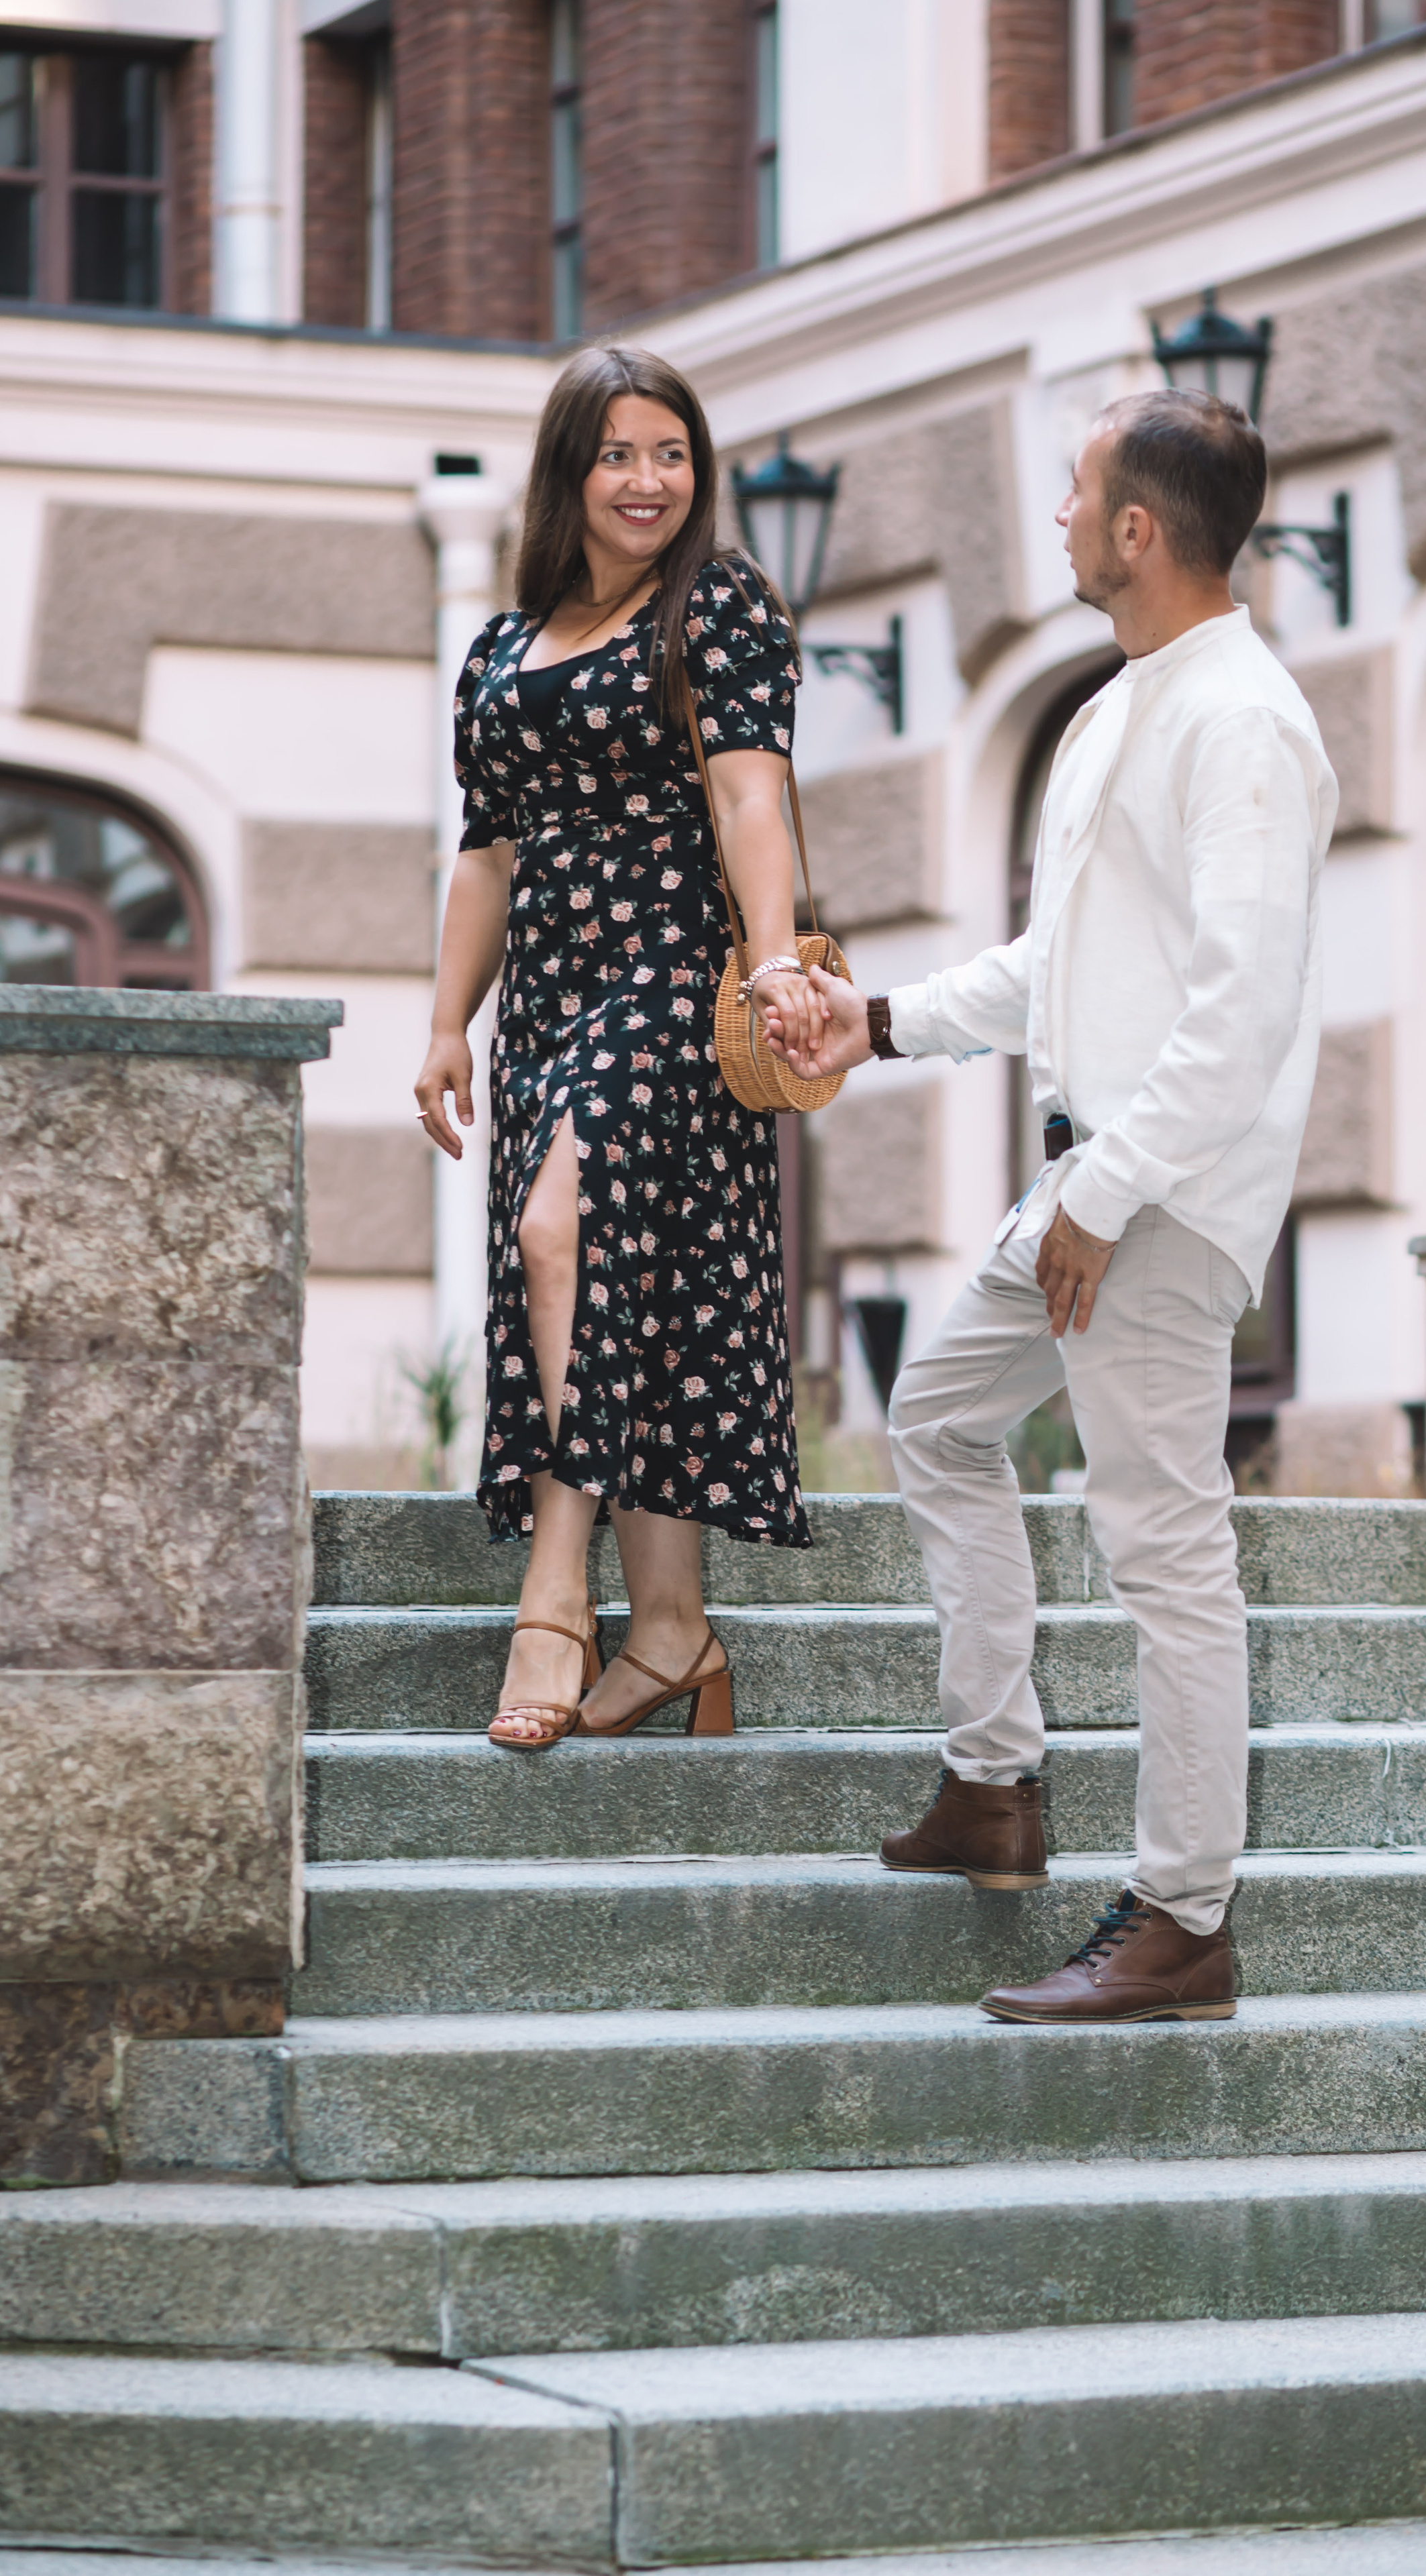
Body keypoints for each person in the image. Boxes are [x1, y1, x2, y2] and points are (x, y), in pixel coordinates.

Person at [767, 387, 1337, 2022]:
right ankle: (996, 1787)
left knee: (1164, 1553)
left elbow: (1237, 1011)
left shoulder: (1242, 720)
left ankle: (1180, 1917)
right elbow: (1052, 973)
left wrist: (1100, 1194)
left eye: (1077, 499)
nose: (1062, 523)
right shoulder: (1114, 710)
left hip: (1156, 1199)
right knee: (938, 1420)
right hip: (1088, 1182)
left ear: (1139, 530)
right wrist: (868, 1025)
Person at [415, 343, 823, 1752]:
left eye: (670, 454)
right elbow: (483, 855)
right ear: (567, 472)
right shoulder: (498, 647)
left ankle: (552, 1590)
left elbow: (749, 799)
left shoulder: (716, 608)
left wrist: (769, 957)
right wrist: (443, 1025)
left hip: (665, 968)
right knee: (633, 1292)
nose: (647, 481)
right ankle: (672, 1635)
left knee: (553, 1231)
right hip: (542, 995)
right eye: (616, 455)